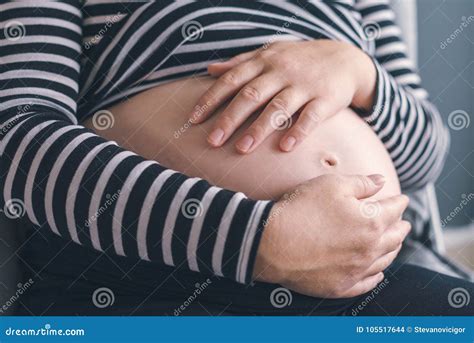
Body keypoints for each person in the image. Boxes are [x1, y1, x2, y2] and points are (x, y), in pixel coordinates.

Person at [0, 1, 471, 315]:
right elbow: (17, 138)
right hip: (146, 278)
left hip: (355, 280)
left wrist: (358, 72)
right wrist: (257, 239)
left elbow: (424, 156)